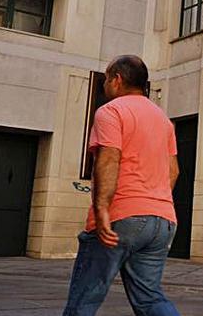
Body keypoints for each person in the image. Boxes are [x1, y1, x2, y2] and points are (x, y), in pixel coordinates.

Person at [63, 55, 181, 316]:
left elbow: (109, 159)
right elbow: (173, 171)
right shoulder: (163, 120)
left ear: (117, 80)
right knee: (150, 298)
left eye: (106, 79)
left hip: (122, 216)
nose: (105, 85)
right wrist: (152, 203)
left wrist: (102, 209)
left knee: (84, 298)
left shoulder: (111, 111)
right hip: (162, 220)